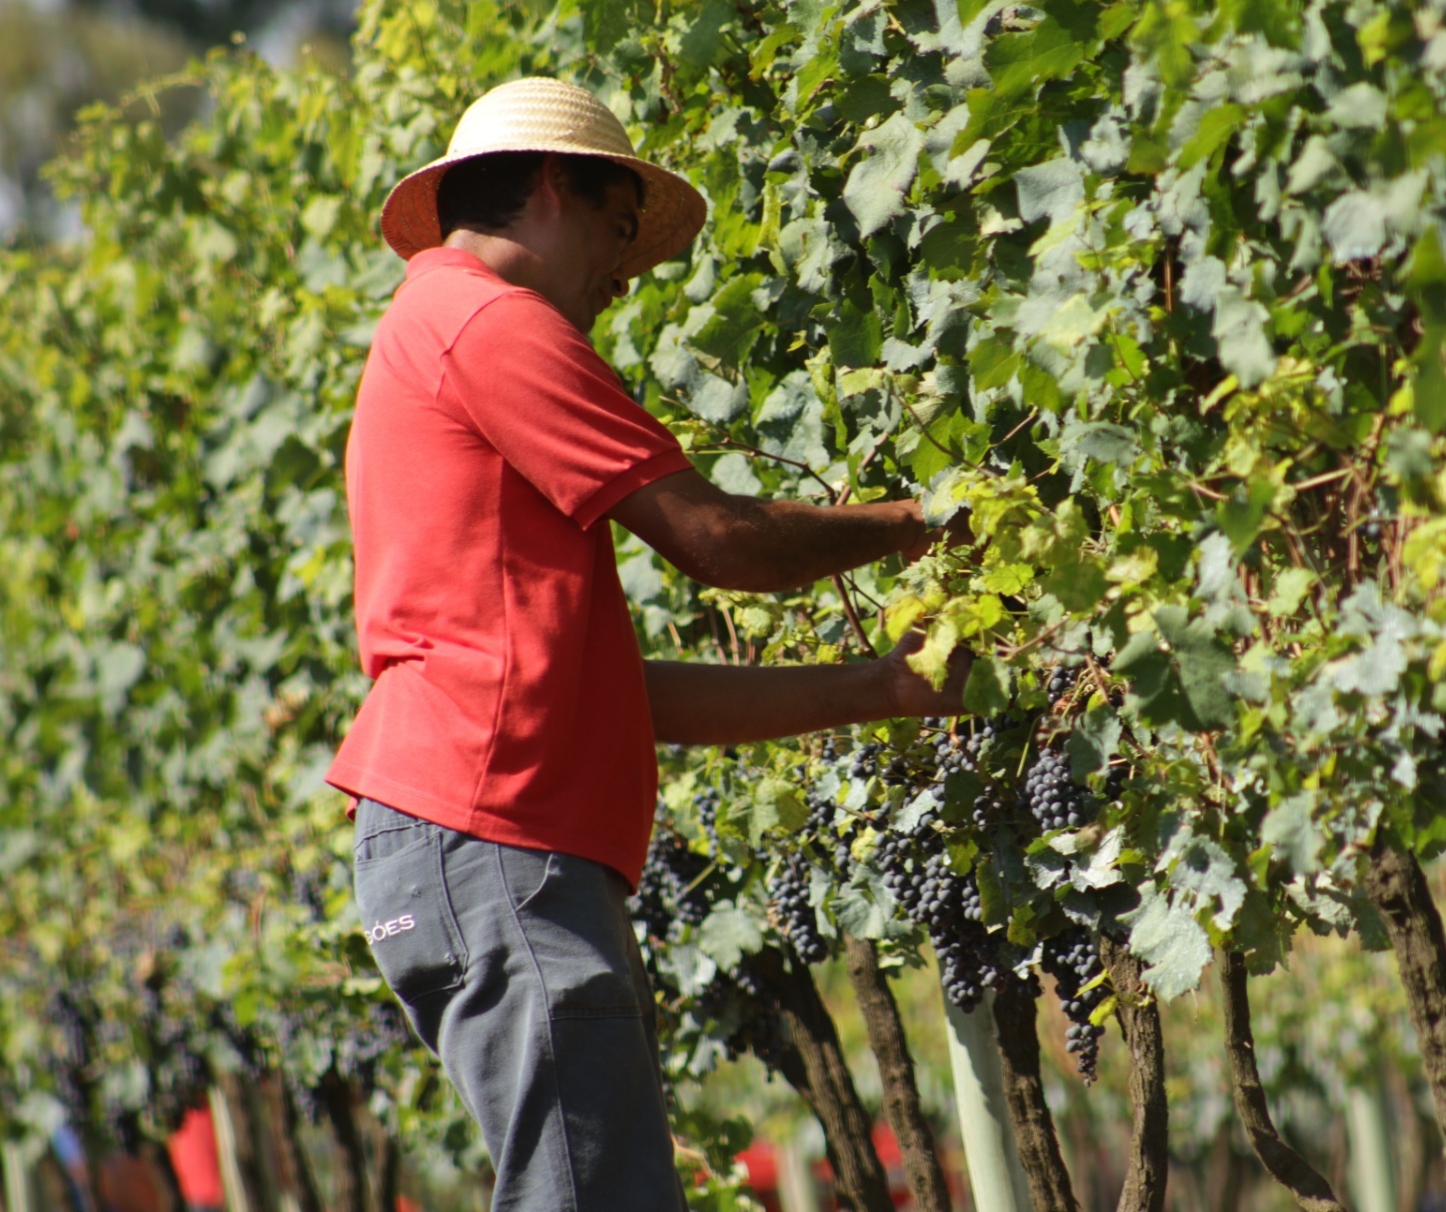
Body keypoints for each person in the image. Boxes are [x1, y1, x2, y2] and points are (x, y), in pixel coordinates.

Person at [326, 78, 970, 1212]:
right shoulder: (488, 320)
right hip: (495, 842)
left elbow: (627, 694)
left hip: (462, 842)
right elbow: (715, 540)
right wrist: (921, 523)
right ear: (544, 189)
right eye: (621, 231)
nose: (627, 276)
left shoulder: (432, 329)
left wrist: (884, 686)